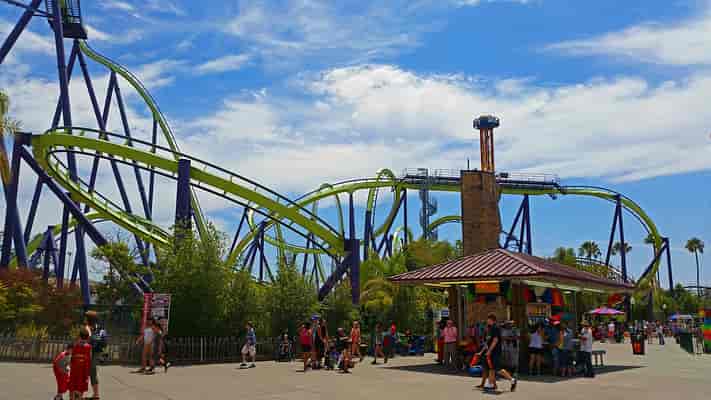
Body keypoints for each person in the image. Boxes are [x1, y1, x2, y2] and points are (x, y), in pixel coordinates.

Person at [476, 314, 517, 392]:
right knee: (491, 368)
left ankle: (512, 380)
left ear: (492, 320)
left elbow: (495, 340)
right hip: (491, 352)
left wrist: (489, 351)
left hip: (495, 352)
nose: (487, 321)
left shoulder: (495, 328)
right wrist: (481, 352)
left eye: (488, 319)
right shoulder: (490, 329)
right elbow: (487, 342)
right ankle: (491, 384)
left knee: (498, 369)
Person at [84, 311, 104, 399]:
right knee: (93, 373)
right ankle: (96, 394)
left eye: (85, 317)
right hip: (96, 352)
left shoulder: (87, 328)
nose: (84, 319)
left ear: (88, 319)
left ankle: (79, 394)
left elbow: (87, 339)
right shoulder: (98, 327)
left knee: (84, 373)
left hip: (89, 352)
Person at [69, 329, 92, 400]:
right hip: (83, 371)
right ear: (87, 338)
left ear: (79, 336)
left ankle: (72, 398)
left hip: (74, 370)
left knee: (72, 388)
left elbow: (71, 358)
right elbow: (89, 360)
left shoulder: (75, 345)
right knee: (80, 389)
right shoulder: (88, 347)